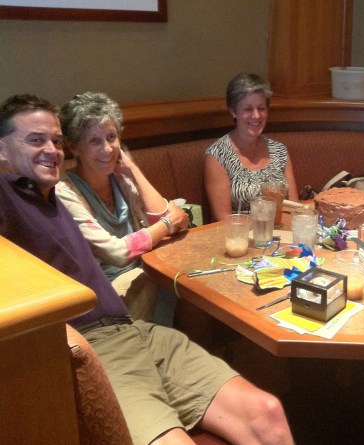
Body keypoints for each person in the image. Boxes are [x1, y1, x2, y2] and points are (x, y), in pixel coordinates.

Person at [0, 94, 294, 445]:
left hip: (133, 329)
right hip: (91, 346)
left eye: (56, 141)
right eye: (36, 140)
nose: (51, 150)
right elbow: (127, 247)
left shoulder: (51, 194)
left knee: (267, 413)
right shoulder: (13, 195)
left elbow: (172, 217)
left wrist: (132, 170)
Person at [56, 92, 187, 324]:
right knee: (174, 280)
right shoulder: (65, 192)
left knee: (182, 279)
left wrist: (132, 169)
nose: (107, 149)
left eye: (111, 137)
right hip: (106, 293)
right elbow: (118, 253)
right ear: (74, 147)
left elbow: (171, 219)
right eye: (95, 141)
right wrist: (167, 224)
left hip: (143, 276)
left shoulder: (120, 179)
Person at [204, 73, 299, 221]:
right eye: (248, 109)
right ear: (233, 111)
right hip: (239, 234)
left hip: (282, 232)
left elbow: (294, 208)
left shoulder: (280, 151)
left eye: (261, 108)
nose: (256, 115)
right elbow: (223, 219)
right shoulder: (217, 156)